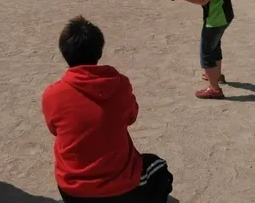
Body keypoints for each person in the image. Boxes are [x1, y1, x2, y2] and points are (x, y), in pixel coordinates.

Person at [42, 16, 174, 202]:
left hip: (72, 189)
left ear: (64, 53)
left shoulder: (52, 94)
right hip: (119, 188)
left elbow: (54, 129)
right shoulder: (119, 84)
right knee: (158, 168)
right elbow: (131, 116)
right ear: (99, 51)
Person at [171, 0, 234, 99]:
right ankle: (216, 75)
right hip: (221, 16)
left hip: (217, 19)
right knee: (214, 46)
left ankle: (214, 89)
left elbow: (203, 0)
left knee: (206, 52)